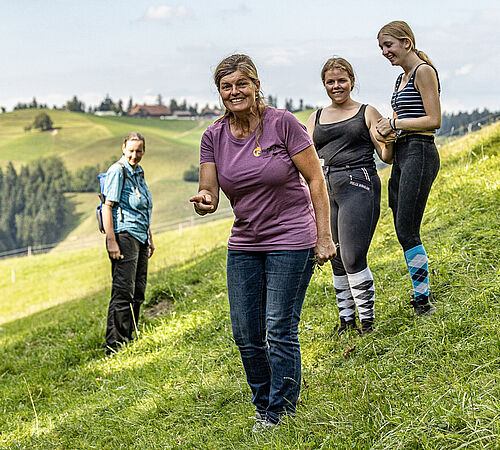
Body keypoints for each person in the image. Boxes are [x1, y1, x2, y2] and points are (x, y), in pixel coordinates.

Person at [189, 54, 335, 430]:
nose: (234, 92)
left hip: (291, 236)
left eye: (241, 84)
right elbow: (210, 189)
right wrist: (205, 200)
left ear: (255, 85)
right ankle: (264, 404)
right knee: (245, 333)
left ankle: (280, 411)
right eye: (226, 86)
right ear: (219, 92)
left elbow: (316, 181)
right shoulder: (213, 136)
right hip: (245, 241)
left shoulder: (283, 124)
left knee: (279, 327)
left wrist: (324, 237)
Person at [306, 57, 393, 335]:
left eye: (341, 80)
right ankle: (346, 320)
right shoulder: (315, 117)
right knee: (337, 257)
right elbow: (304, 157)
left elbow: (386, 156)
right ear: (324, 84)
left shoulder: (367, 112)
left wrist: (390, 139)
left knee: (354, 256)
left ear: (352, 81)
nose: (336, 86)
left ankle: (367, 322)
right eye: (330, 82)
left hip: (360, 184)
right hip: (327, 188)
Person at [376, 21, 441, 316]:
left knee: (407, 228)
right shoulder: (399, 80)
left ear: (406, 43)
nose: (385, 52)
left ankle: (422, 300)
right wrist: (386, 137)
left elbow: (434, 119)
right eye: (381, 48)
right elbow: (395, 124)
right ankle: (420, 294)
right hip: (402, 152)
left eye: (388, 45)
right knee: (402, 227)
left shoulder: (423, 72)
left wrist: (395, 124)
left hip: (421, 150)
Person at [102, 132, 154, 353]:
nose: (135, 155)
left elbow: (142, 206)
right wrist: (111, 241)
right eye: (131, 150)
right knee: (123, 291)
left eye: (139, 150)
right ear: (123, 149)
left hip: (140, 235)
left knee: (138, 289)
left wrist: (150, 235)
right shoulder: (118, 171)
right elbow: (108, 207)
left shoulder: (139, 172)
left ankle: (130, 335)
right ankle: (115, 345)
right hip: (124, 236)